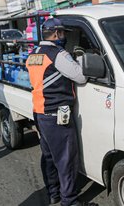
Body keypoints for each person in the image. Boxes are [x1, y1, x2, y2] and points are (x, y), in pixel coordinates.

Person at [26, 18, 87, 206]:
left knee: (49, 156)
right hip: (56, 114)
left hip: (39, 112)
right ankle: (69, 200)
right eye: (62, 33)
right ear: (56, 34)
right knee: (66, 159)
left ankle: (54, 193)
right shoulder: (57, 54)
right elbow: (81, 76)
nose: (64, 37)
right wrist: (79, 58)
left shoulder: (34, 53)